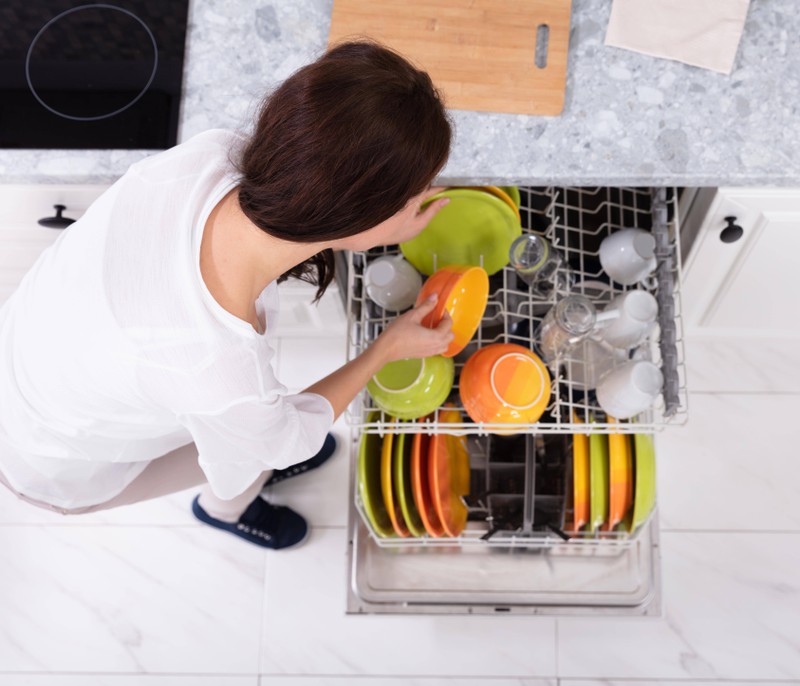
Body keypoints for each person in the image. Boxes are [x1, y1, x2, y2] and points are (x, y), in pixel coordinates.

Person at [0, 41, 454, 550]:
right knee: (250, 458)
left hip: (27, 348)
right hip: (48, 457)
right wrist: (387, 347)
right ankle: (225, 514)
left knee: (242, 434)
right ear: (361, 215)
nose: (425, 203)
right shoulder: (219, 369)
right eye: (419, 195)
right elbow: (281, 440)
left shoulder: (214, 155)